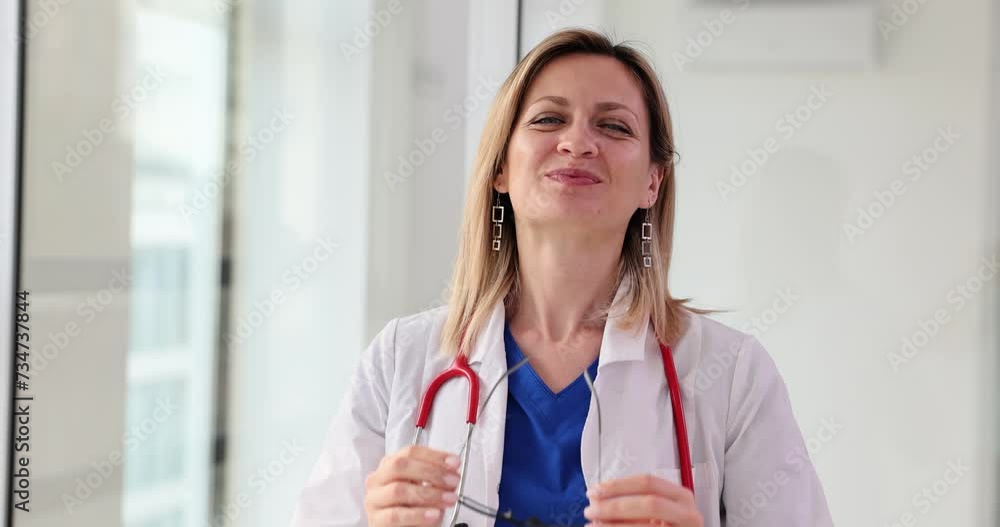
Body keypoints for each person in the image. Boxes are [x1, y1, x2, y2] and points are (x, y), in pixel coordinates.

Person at [291, 28, 833, 527]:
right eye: (549, 119)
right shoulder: (400, 361)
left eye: (614, 126)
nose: (577, 143)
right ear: (501, 167)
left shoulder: (731, 374)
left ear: (652, 183)